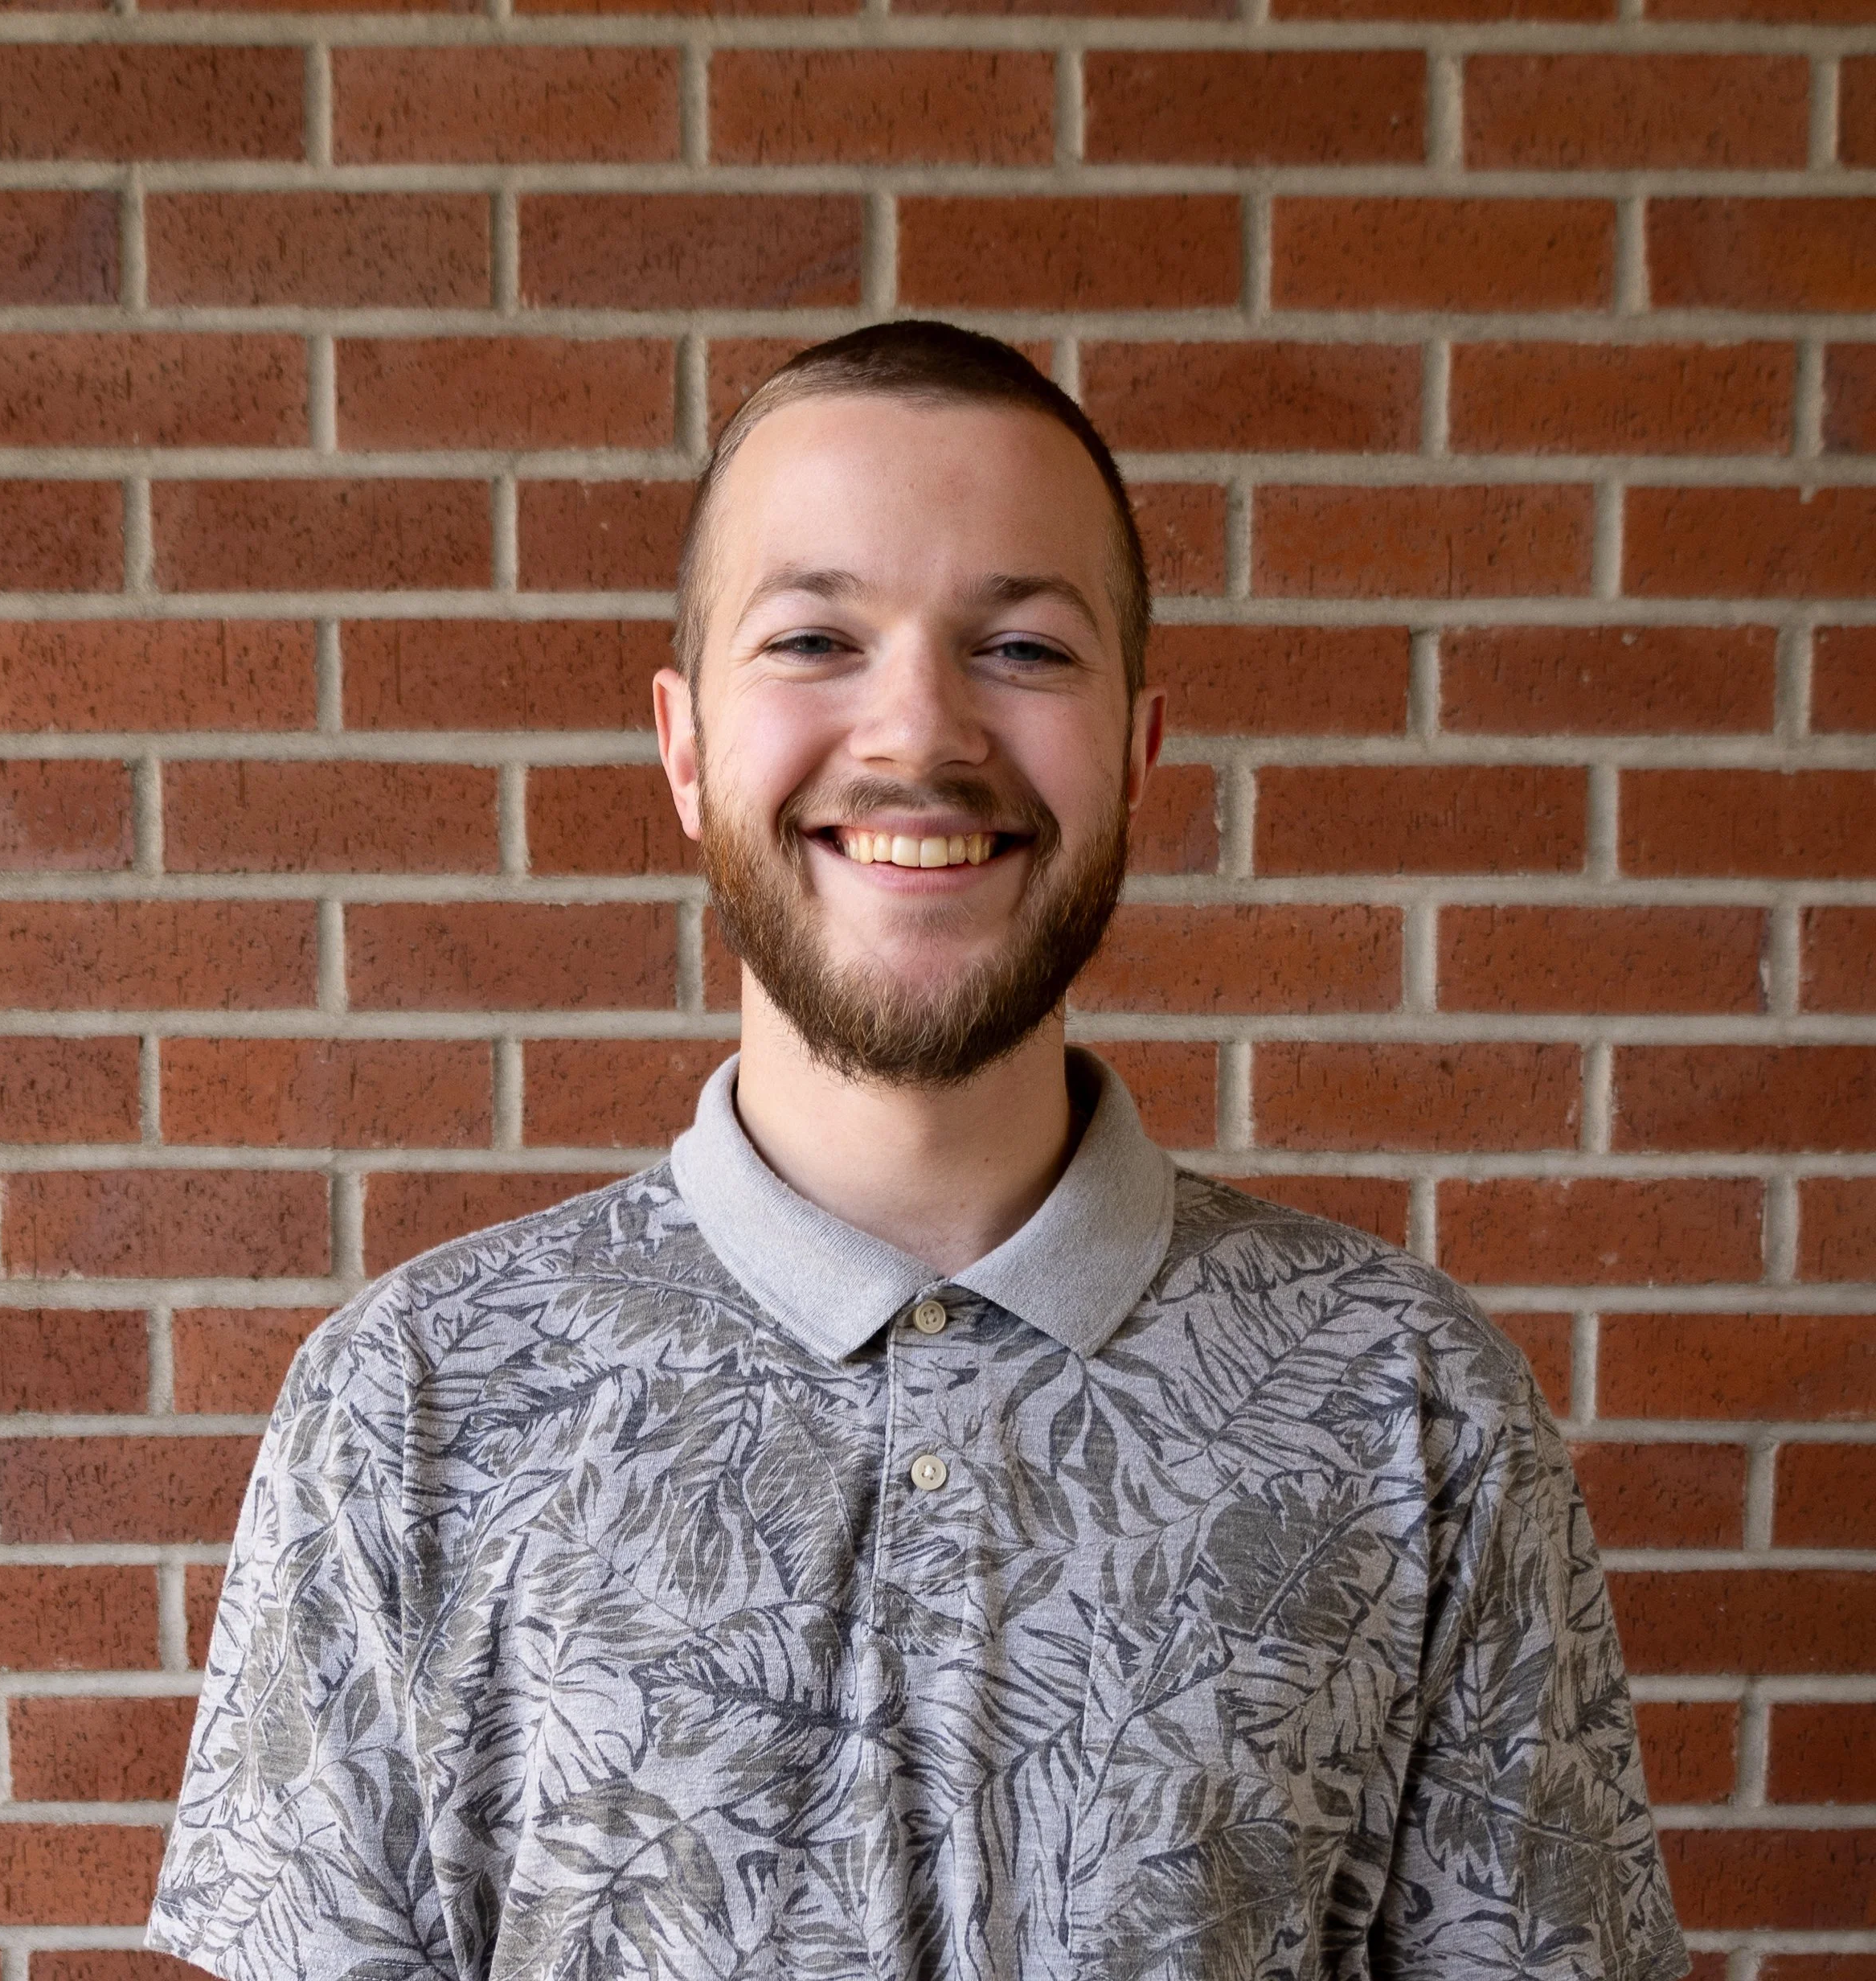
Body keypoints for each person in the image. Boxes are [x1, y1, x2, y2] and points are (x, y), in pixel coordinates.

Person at [148, 322, 1689, 1981]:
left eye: (1020, 647)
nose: (919, 729)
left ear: (1135, 752)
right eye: (814, 633)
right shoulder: (412, 1409)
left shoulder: (1413, 1410)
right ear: (681, 745)